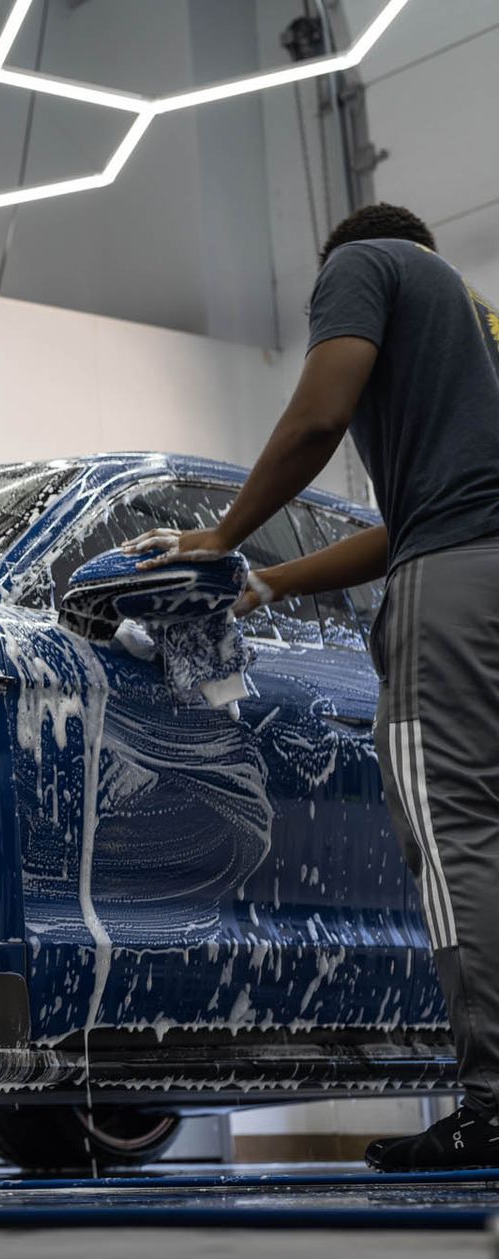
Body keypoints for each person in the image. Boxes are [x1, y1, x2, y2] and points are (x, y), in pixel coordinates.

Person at [124, 203, 499, 1171]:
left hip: (462, 585)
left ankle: (496, 1099)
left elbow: (319, 417)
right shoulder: (482, 322)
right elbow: (413, 515)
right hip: (469, 550)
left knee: (457, 832)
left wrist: (223, 534)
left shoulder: (367, 262)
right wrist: (273, 579)